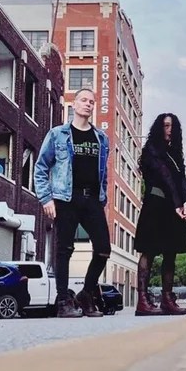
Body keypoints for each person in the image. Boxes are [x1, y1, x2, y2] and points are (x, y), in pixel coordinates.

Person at [34, 88, 110, 318]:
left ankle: (86, 294)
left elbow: (103, 173)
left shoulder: (101, 138)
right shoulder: (58, 134)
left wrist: (103, 197)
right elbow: (41, 167)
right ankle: (63, 302)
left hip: (92, 199)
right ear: (74, 104)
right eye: (84, 100)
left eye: (92, 102)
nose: (88, 104)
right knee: (64, 249)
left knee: (103, 249)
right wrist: (46, 198)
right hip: (66, 197)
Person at [134, 113, 186, 316]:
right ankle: (142, 301)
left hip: (173, 207)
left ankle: (167, 299)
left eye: (172, 126)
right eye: (166, 126)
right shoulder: (151, 149)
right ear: (159, 128)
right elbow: (164, 176)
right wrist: (177, 203)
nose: (169, 130)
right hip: (156, 204)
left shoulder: (176, 152)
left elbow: (181, 179)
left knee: (171, 252)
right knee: (148, 251)